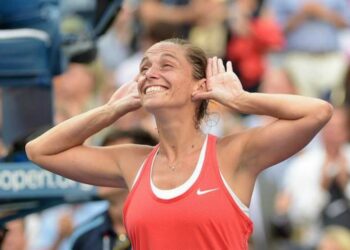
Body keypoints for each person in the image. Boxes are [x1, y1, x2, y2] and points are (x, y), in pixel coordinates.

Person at [25, 38, 333, 249]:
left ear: (200, 85)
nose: (150, 74)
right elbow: (39, 150)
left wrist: (242, 100)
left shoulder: (233, 154)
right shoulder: (133, 162)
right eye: (144, 68)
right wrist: (111, 110)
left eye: (166, 65)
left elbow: (318, 112)